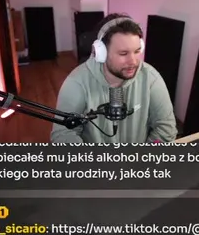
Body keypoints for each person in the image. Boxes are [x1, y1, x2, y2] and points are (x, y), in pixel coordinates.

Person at [50, 13, 177, 144]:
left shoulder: (150, 77)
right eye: (123, 53)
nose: (133, 61)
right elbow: (63, 134)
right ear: (101, 53)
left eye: (137, 51)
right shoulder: (77, 82)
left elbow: (166, 127)